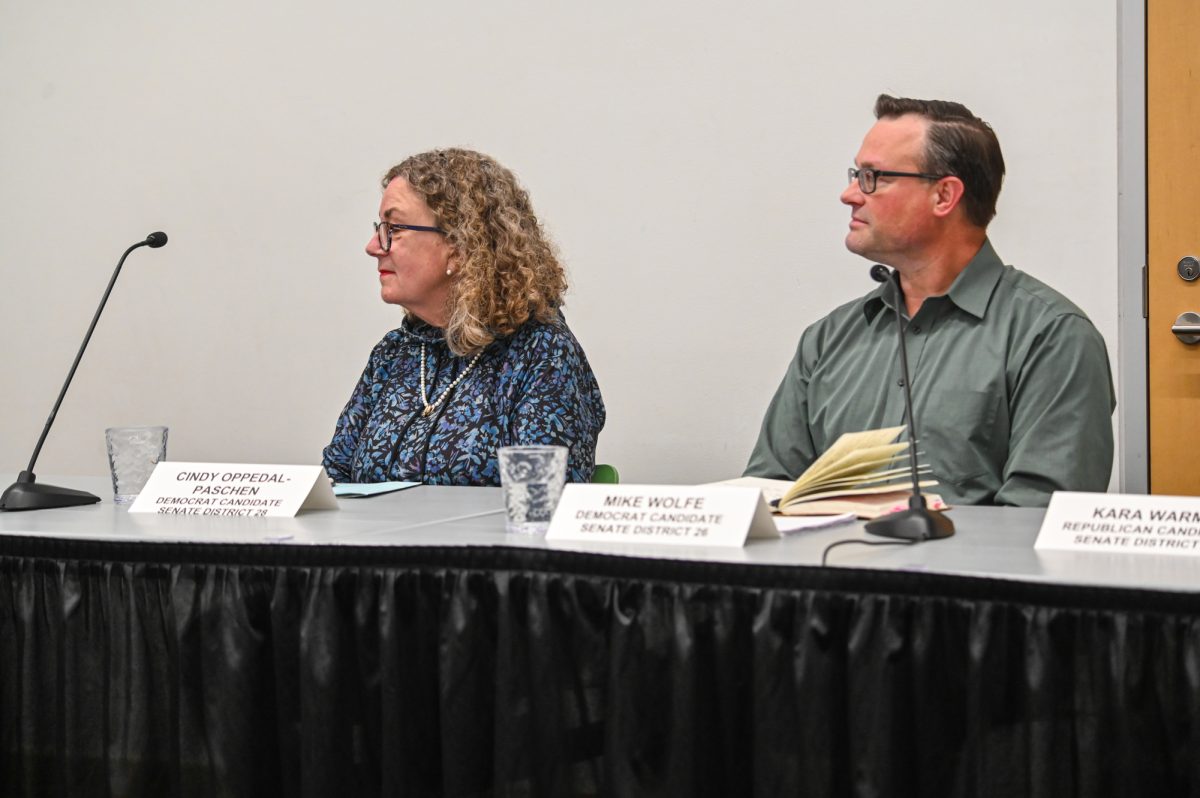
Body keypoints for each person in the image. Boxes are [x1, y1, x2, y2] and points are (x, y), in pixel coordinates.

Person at [745, 95, 1114, 506]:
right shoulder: (828, 339)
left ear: (944, 196)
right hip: (832, 567)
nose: (849, 194)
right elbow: (771, 494)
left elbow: (1037, 516)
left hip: (967, 570)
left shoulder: (1051, 336)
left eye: (872, 177)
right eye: (856, 174)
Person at [324, 148, 605, 486]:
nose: (373, 246)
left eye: (393, 229)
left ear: (457, 247)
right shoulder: (393, 354)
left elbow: (538, 503)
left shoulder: (541, 354)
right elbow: (334, 482)